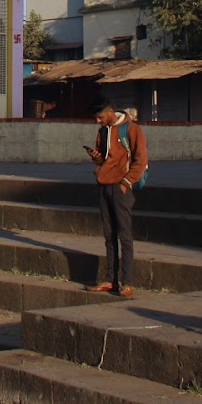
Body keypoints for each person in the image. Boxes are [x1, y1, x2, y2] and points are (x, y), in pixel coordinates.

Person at [84, 98, 147, 297]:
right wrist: (97, 158)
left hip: (121, 187)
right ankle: (110, 279)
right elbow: (105, 159)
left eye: (100, 117)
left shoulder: (131, 129)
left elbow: (141, 159)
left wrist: (126, 183)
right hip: (104, 185)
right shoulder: (102, 131)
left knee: (124, 235)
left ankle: (127, 282)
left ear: (110, 111)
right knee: (109, 235)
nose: (98, 121)